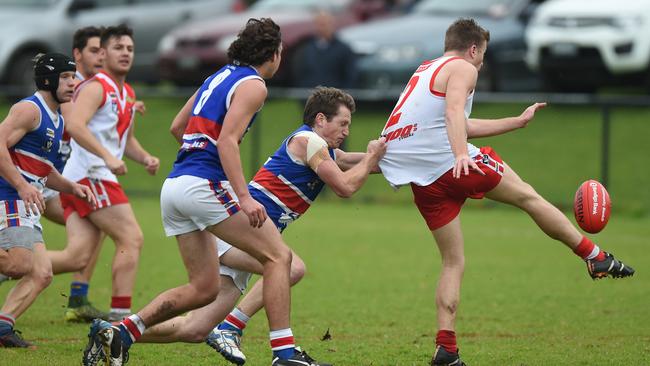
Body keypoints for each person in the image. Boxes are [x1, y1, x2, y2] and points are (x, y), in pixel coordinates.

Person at [377, 18, 635, 365]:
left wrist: (516, 122)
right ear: (472, 49)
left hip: (423, 178)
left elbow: (459, 122)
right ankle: (595, 256)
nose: (481, 63)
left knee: (453, 261)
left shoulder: (425, 70)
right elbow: (454, 114)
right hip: (453, 162)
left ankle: (446, 349)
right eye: (482, 55)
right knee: (529, 197)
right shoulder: (464, 68)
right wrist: (458, 154)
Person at [81, 18, 328, 366]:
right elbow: (226, 140)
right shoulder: (254, 84)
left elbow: (177, 127)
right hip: (204, 185)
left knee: (204, 289)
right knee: (279, 259)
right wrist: (243, 196)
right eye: (281, 52)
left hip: (175, 186)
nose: (281, 59)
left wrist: (196, 156)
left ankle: (121, 332)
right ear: (271, 53)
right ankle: (284, 354)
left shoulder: (218, 76)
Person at [132, 87, 385, 366]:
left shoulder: (321, 149)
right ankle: (238, 329)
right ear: (321, 119)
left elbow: (355, 162)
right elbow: (345, 186)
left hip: (248, 237)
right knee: (290, 266)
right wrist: (373, 156)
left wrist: (402, 160)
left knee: (194, 328)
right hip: (239, 229)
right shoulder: (308, 141)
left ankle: (119, 332)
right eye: (343, 123)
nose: (347, 131)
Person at [48, 24, 160, 326]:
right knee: (131, 237)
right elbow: (76, 126)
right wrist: (107, 157)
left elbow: (125, 141)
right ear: (103, 53)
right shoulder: (97, 86)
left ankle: (12, 265)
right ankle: (119, 319)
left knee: (77, 257)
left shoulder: (127, 92)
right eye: (117, 48)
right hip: (90, 176)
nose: (125, 53)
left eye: (130, 49)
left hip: (89, 177)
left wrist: (145, 157)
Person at [0, 53, 96, 347]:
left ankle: (2, 329)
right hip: (9, 196)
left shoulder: (56, 118)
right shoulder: (30, 110)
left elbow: (42, 167)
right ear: (48, 80)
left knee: (41, 274)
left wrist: (71, 187)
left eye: (74, 77)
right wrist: (21, 185)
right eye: (66, 77)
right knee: (18, 264)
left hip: (26, 203)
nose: (73, 83)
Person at [36, 26, 108, 323]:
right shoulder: (59, 96)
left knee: (97, 226)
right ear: (76, 54)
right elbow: (77, 125)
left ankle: (78, 298)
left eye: (104, 51)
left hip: (52, 183)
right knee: (90, 233)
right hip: (32, 184)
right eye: (94, 51)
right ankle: (14, 266)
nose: (101, 56)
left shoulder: (86, 90)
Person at [292, 10, 357, 89]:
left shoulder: (344, 49)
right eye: (319, 24)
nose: (321, 28)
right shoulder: (306, 48)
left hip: (334, 97)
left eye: (324, 24)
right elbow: (300, 72)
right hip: (310, 96)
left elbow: (350, 75)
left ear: (332, 25)